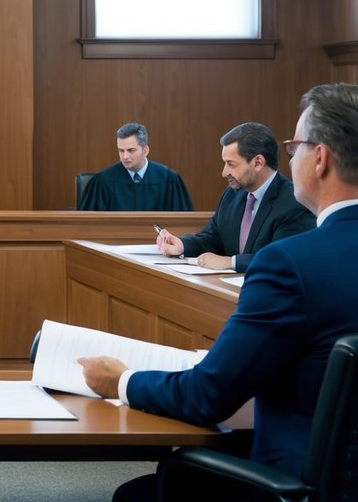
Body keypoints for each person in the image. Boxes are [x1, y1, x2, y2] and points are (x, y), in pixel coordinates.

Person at [79, 83, 358, 500]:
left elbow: (206, 397)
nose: (291, 157)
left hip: (301, 480)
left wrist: (121, 380)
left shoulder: (289, 265)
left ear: (319, 158)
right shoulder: (247, 213)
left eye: (295, 146)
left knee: (137, 493)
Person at [155, 122, 313, 271]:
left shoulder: (294, 201)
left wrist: (231, 262)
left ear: (258, 162)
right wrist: (181, 245)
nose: (224, 173)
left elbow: (283, 260)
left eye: (231, 164)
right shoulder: (232, 195)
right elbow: (212, 238)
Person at [77, 122, 193, 211]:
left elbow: (183, 225)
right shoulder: (103, 181)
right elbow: (86, 226)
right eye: (121, 151)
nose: (125, 156)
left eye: (131, 150)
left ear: (145, 150)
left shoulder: (169, 179)